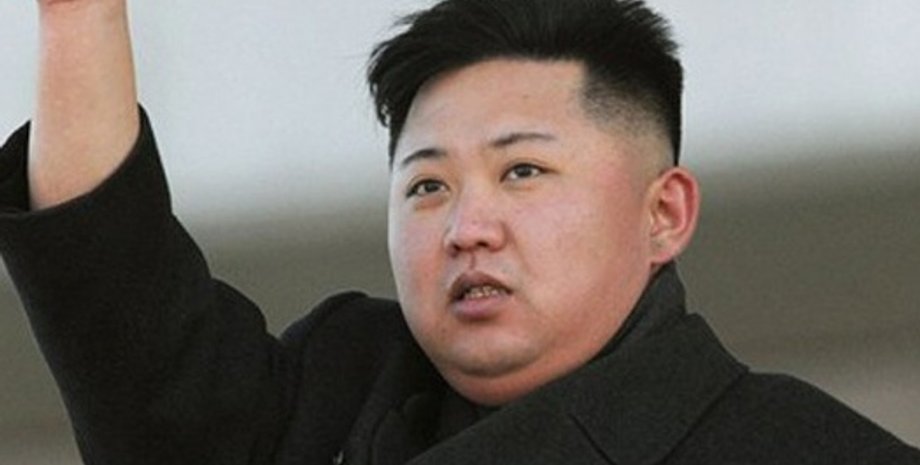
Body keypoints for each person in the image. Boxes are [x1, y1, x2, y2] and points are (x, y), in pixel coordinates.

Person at [0, 0, 917, 463]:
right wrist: (79, 16)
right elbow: (116, 287)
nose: (468, 227)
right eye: (428, 185)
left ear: (664, 213)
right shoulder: (339, 390)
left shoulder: (798, 447)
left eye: (523, 171)